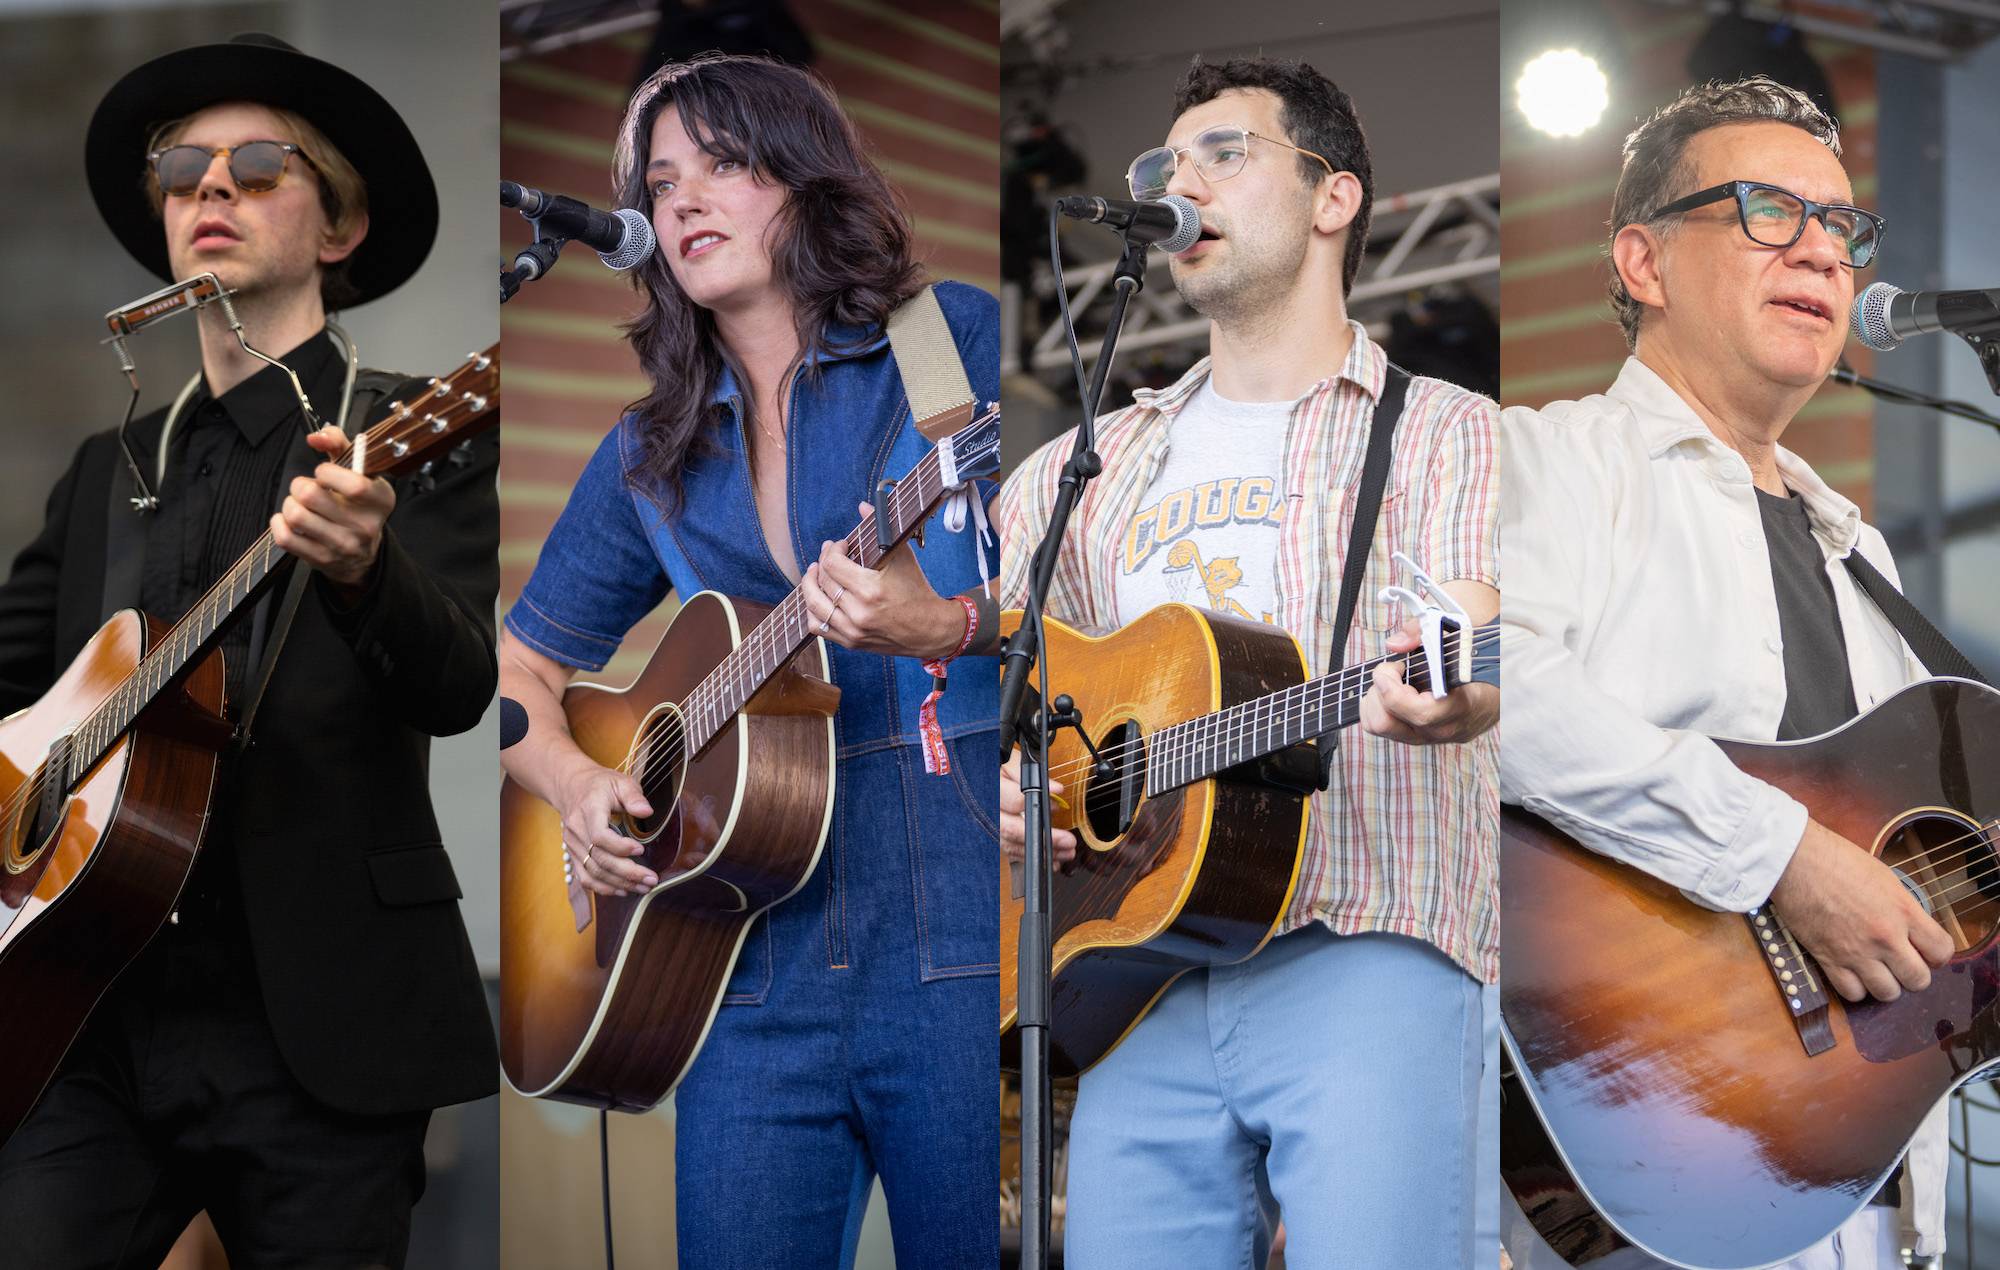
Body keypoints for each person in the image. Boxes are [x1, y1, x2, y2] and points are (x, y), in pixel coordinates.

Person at [0, 33, 498, 1268]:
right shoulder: (99, 479)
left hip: (322, 1022)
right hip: (91, 1014)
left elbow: (459, 682)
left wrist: (363, 570)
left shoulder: (412, 430)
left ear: (339, 227)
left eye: (261, 163)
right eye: (182, 170)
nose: (209, 188)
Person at [496, 54, 1000, 1267]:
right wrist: (575, 786)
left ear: (806, 177)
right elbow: (514, 674)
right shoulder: (647, 450)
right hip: (741, 964)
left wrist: (945, 622)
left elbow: (1071, 577)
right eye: (659, 183)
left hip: (953, 929)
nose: (680, 202)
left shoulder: (952, 342)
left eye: (721, 165)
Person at [998, 56, 1500, 1269]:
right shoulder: (1091, 462)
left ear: (1333, 198)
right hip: (1132, 980)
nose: (1181, 182)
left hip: (1372, 949)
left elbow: (1484, 628)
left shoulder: (1452, 433)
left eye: (1223, 153)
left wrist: (1462, 685)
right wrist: (1010, 784)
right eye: (1165, 165)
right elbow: (988, 679)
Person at [1500, 76, 1948, 1267]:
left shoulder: (1860, 548)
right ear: (1640, 261)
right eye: (1764, 210)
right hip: (1659, 1126)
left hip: (1864, 1164)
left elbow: (1916, 857)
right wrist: (1779, 856)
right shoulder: (1543, 462)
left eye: (1841, 227)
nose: (1821, 252)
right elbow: (1495, 690)